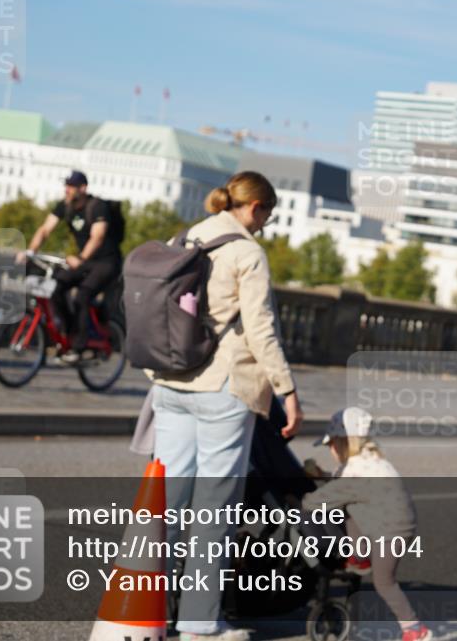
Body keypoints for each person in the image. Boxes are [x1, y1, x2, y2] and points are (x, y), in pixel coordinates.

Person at [151, 171, 304, 641]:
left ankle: (146, 608)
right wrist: (287, 390)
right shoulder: (246, 252)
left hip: (171, 382)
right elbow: (261, 330)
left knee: (168, 504)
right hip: (223, 389)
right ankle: (199, 624)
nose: (264, 226)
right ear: (255, 208)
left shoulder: (185, 237)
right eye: (267, 216)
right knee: (214, 509)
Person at [302, 407, 433, 641]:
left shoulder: (354, 473)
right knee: (352, 510)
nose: (330, 450)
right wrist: (322, 475)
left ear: (343, 442)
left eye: (330, 444)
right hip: (396, 524)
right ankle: (359, 557)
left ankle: (415, 630)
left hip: (389, 533)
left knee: (385, 583)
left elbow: (316, 502)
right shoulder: (371, 461)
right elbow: (346, 484)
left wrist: (303, 499)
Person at [19, 170, 122, 364]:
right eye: (66, 186)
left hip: (106, 262)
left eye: (71, 186)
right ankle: (67, 333)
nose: (67, 190)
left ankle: (79, 347)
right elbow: (45, 229)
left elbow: (97, 237)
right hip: (85, 262)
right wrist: (30, 251)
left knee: (82, 295)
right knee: (56, 287)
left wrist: (81, 257)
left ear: (82, 188)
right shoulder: (65, 206)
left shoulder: (97, 207)